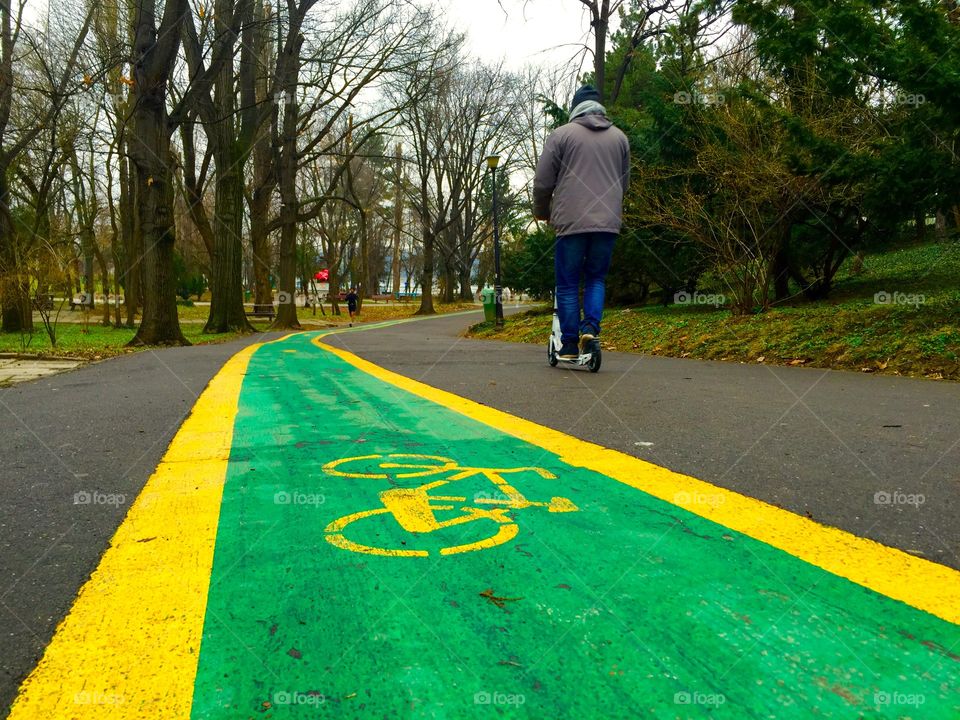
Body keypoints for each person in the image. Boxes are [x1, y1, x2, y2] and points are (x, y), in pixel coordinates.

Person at [533, 85, 631, 359]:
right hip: (607, 223)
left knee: (567, 283)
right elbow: (624, 183)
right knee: (596, 278)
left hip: (571, 222)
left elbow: (542, 182)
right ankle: (590, 330)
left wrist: (542, 211)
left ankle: (568, 344)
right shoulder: (620, 138)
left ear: (575, 108)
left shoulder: (561, 135)